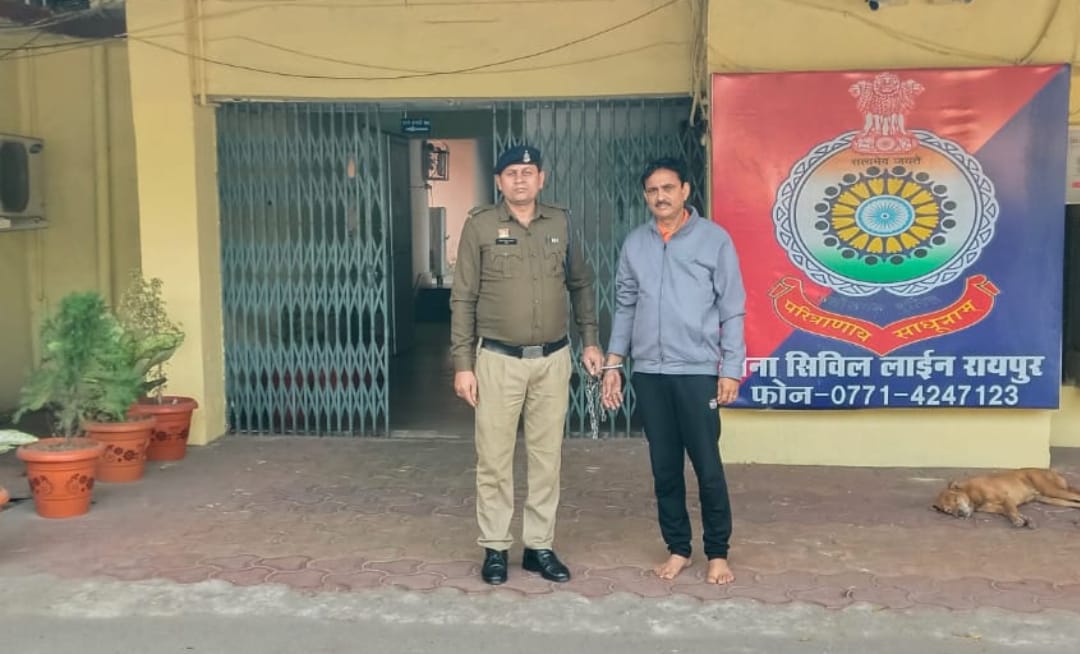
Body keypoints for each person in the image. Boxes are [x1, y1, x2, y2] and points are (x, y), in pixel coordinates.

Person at [450, 144, 603, 585]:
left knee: (546, 458)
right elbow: (463, 298)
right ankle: (496, 547)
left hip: (552, 359)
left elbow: (581, 284)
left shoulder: (561, 222)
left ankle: (539, 547)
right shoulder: (480, 225)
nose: (520, 179)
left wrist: (590, 340)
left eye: (528, 171)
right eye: (511, 173)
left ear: (542, 178)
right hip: (498, 361)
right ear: (499, 181)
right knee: (494, 459)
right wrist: (463, 363)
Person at [601, 157, 746, 585]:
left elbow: (732, 308)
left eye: (668, 188)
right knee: (664, 468)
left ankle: (717, 553)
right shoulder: (636, 244)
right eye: (652, 190)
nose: (660, 196)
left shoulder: (714, 240)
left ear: (685, 191)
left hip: (697, 371)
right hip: (650, 372)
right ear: (645, 196)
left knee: (707, 466)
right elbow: (626, 305)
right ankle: (678, 548)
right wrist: (614, 362)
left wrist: (730, 368)